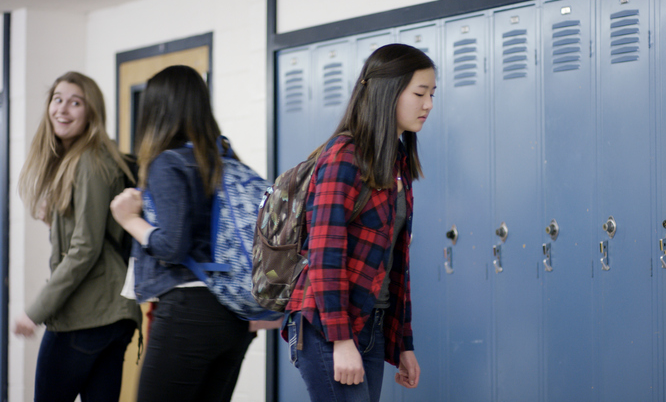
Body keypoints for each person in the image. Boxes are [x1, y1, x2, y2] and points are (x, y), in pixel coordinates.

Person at [283, 43, 435, 401]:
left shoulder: (396, 161)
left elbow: (396, 264)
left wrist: (404, 345)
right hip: (328, 328)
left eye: (432, 94)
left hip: (372, 325)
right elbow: (325, 255)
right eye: (419, 93)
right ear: (387, 91)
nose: (428, 104)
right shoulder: (344, 156)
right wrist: (340, 339)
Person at [109, 65, 256, 402]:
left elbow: (172, 246)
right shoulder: (225, 159)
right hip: (232, 315)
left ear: (156, 111)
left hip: (188, 312)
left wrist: (129, 219)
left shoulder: (167, 163)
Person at [14, 71, 143, 402]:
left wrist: (37, 310)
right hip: (112, 313)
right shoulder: (84, 159)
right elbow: (91, 234)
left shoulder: (88, 160)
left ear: (91, 113)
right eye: (58, 99)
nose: (63, 109)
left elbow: (85, 248)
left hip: (86, 314)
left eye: (76, 102)